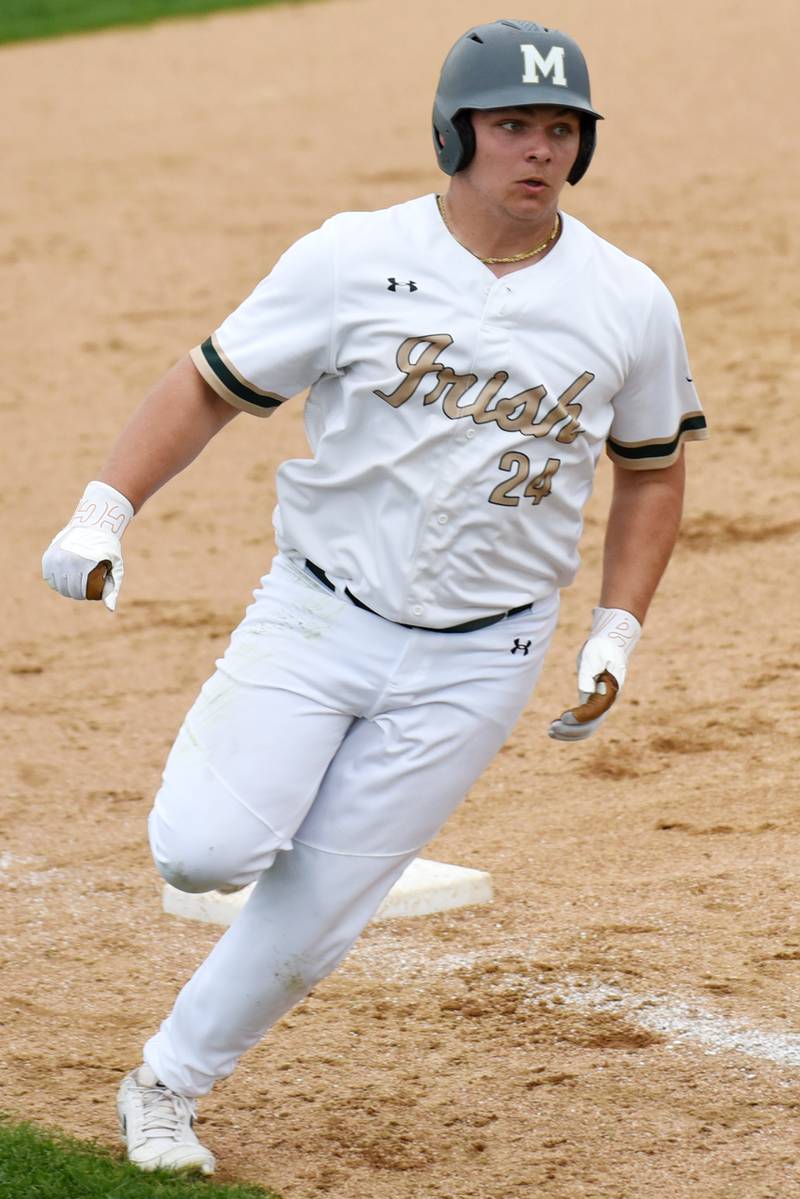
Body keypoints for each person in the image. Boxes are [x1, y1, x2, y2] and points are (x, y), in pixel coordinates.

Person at [42, 18, 707, 1176]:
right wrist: (104, 509)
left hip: (479, 654)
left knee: (319, 916)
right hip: (319, 610)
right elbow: (208, 386)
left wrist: (615, 627)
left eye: (559, 130)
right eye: (512, 126)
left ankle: (167, 1083)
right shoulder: (350, 255)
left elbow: (650, 467)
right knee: (203, 852)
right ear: (458, 133)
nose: (537, 151)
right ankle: (271, 796)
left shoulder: (627, 299)